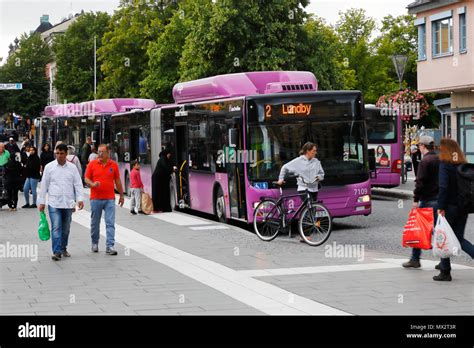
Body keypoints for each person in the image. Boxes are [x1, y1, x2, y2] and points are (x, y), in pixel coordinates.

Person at [434, 138, 474, 281]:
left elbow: (443, 186)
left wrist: (441, 207)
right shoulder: (462, 164)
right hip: (463, 206)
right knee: (459, 238)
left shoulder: (445, 164)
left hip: (449, 207)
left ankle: (445, 272)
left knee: (443, 237)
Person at [38, 143, 84, 261]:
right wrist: (42, 201)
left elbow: (78, 184)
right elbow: (44, 185)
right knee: (56, 227)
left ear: (66, 154)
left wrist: (80, 199)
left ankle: (63, 247)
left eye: (61, 153)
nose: (59, 156)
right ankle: (56, 251)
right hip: (54, 202)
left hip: (68, 203)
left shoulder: (72, 168)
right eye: (57, 153)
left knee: (66, 228)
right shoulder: (49, 167)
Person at [403, 135, 440, 269]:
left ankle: (415, 259)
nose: (419, 148)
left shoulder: (425, 161)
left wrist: (415, 199)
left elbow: (420, 182)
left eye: (419, 145)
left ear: (422, 146)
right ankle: (443, 261)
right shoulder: (439, 158)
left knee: (419, 229)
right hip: (439, 200)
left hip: (427, 200)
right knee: (439, 231)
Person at [84, 144, 124, 255]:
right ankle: (95, 243)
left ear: (108, 153)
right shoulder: (92, 164)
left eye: (102, 152)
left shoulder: (113, 165)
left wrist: (121, 195)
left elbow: (118, 181)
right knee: (95, 223)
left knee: (110, 223)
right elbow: (86, 178)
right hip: (95, 199)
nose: (100, 154)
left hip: (109, 199)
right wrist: (92, 184)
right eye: (99, 151)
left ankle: (110, 246)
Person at [152, 148, 175, 212]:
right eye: (169, 154)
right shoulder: (162, 159)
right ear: (166, 154)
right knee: (159, 194)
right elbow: (166, 167)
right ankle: (158, 208)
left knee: (163, 193)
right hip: (158, 180)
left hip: (161, 179)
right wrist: (172, 169)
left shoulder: (165, 159)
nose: (169, 155)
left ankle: (163, 208)